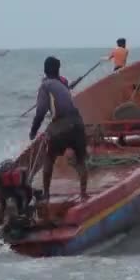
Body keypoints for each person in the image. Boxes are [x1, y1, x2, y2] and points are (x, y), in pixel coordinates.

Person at [30, 56, 88, 202]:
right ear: (58, 69)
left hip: (61, 127)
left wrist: (33, 131)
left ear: (44, 70)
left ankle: (46, 194)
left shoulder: (45, 86)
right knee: (81, 161)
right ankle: (83, 194)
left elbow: (41, 112)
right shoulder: (63, 84)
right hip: (78, 124)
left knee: (49, 157)